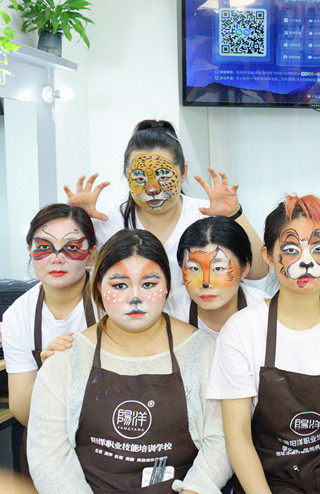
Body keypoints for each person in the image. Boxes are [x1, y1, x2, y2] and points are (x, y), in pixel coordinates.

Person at [27, 229, 230, 493]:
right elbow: (48, 456)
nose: (135, 297)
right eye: (119, 285)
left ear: (167, 287)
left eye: (149, 284)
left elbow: (222, 441)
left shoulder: (203, 352)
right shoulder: (67, 358)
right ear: (98, 287)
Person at [206, 195, 320, 493]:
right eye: (291, 250)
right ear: (268, 256)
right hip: (269, 481)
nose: (307, 261)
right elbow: (237, 437)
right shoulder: (241, 329)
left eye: (319, 248)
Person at [65, 119, 268, 288]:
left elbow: (258, 271)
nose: (152, 189)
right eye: (140, 178)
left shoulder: (207, 215)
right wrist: (76, 223)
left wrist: (234, 214)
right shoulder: (108, 222)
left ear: (183, 173)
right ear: (127, 176)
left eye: (163, 176)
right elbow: (66, 276)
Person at [4, 203, 99, 477]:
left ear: (91, 254)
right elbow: (22, 412)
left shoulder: (110, 301)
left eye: (71, 247)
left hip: (109, 438)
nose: (57, 258)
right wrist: (49, 373)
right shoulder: (17, 316)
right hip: (47, 444)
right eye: (44, 247)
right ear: (30, 252)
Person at [163, 216, 268, 337]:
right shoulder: (169, 312)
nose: (206, 283)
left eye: (218, 268)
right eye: (194, 269)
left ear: (244, 269)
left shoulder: (266, 313)